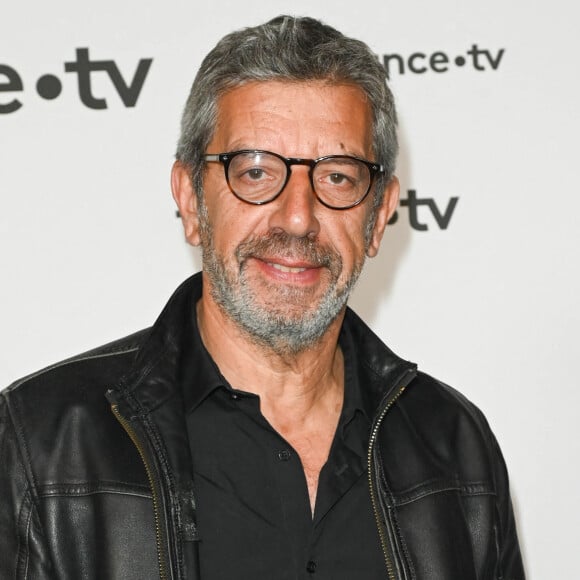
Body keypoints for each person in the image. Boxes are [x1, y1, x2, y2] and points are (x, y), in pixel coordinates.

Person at [0, 15, 525, 580]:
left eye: (338, 178)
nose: (298, 218)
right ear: (192, 200)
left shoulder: (457, 451)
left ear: (378, 217)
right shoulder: (41, 444)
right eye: (254, 172)